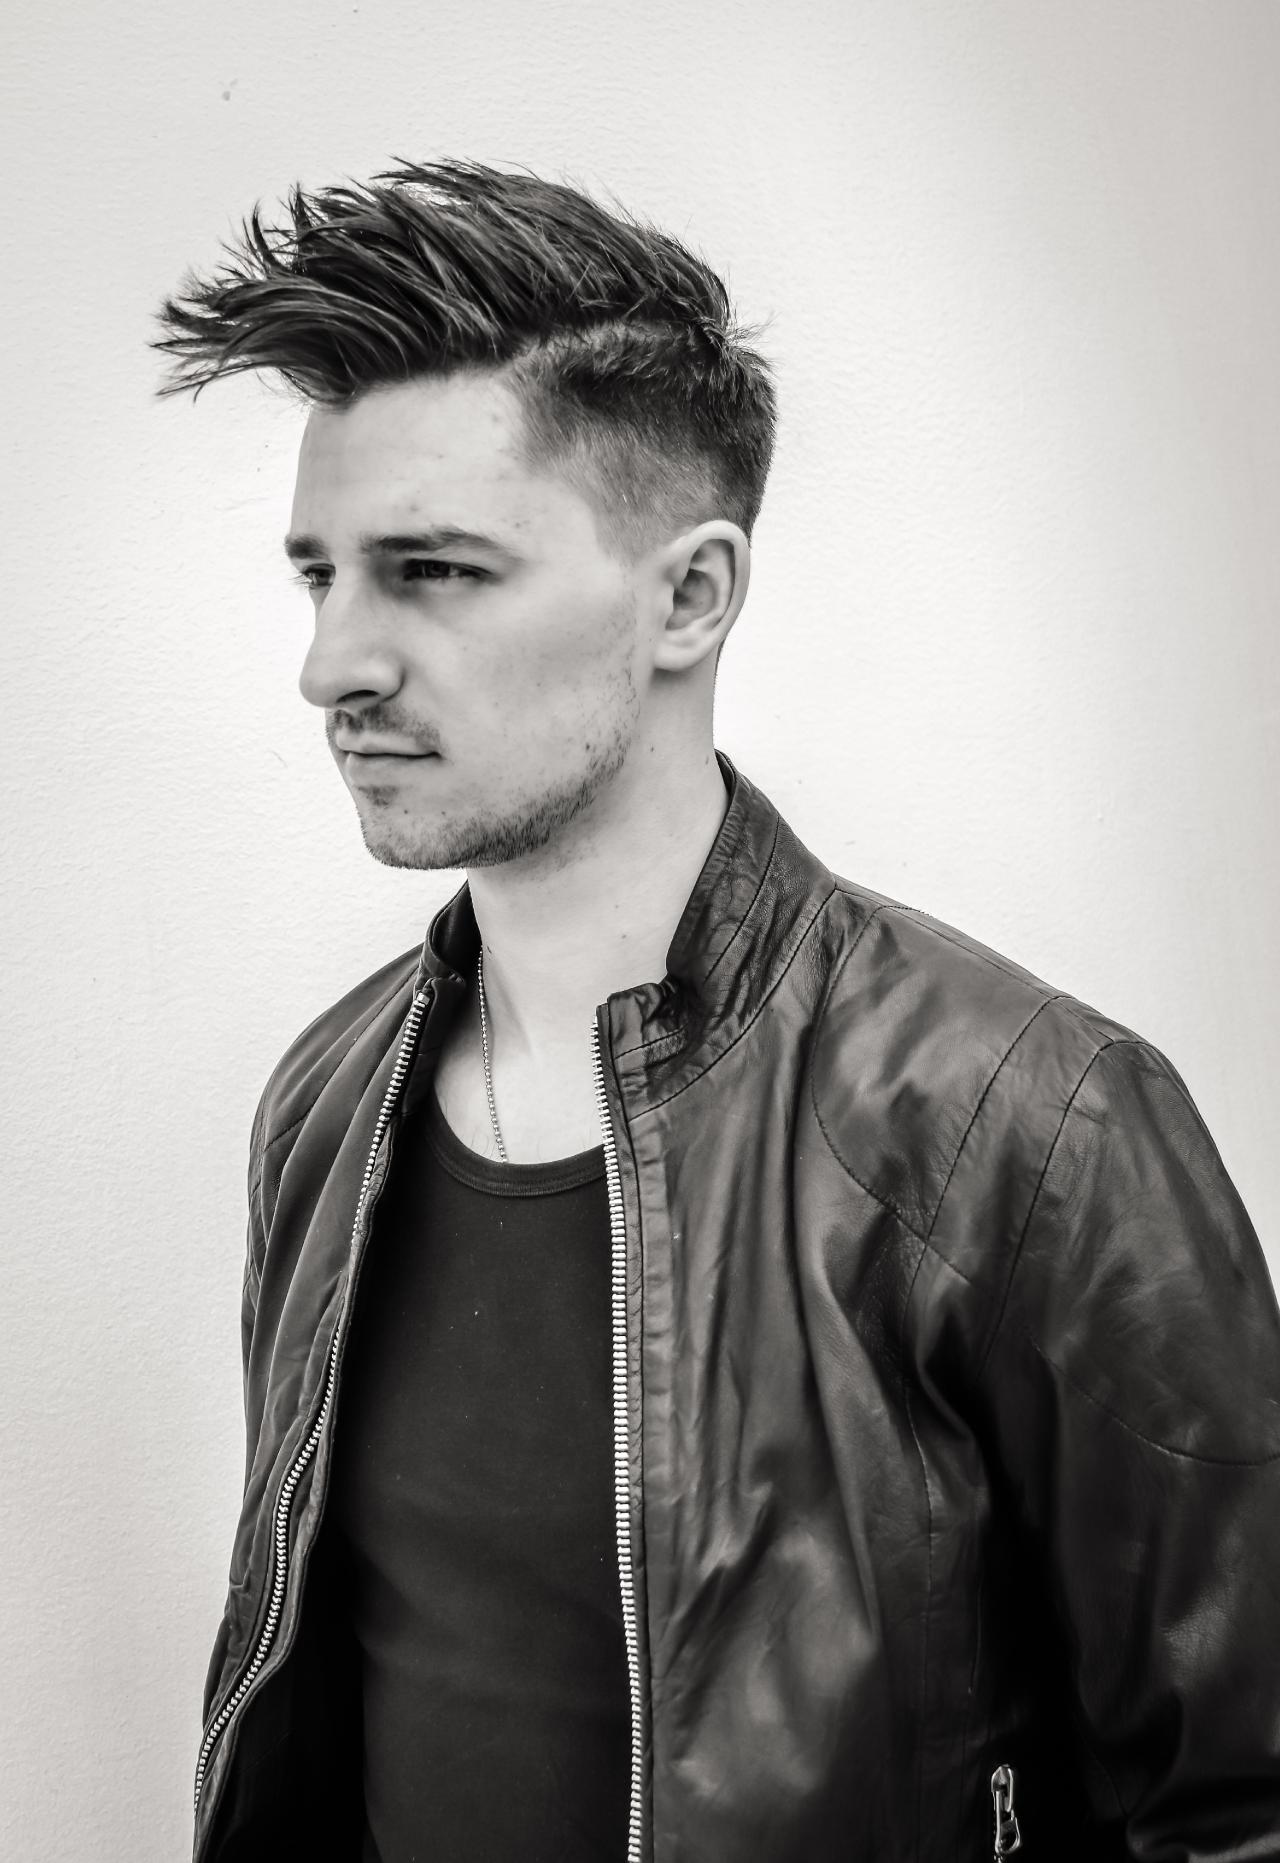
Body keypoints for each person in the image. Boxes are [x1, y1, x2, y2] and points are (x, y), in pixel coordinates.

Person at [153, 160, 1280, 1863]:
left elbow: (1238, 1802)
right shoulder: (325, 1107)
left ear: (690, 596)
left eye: (433, 570)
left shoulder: (1024, 1127)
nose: (334, 665)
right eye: (322, 575)